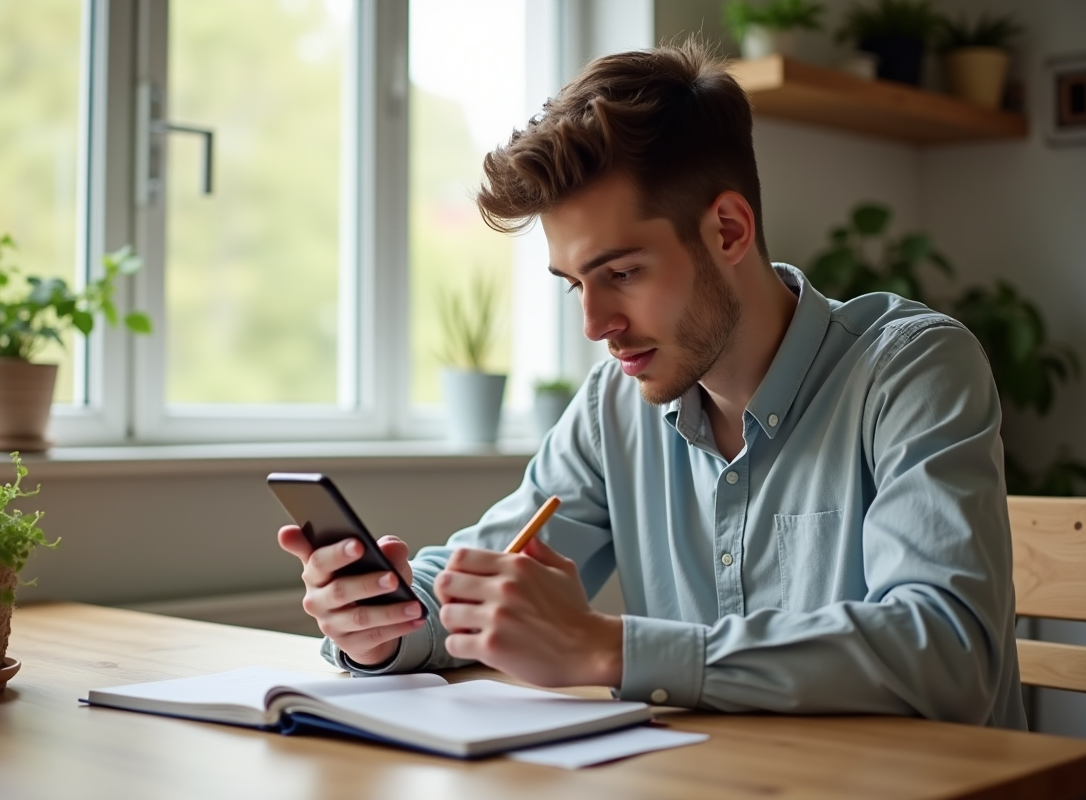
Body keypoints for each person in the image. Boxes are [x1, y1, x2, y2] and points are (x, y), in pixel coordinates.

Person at [278, 39, 1026, 729]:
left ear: (728, 231)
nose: (595, 325)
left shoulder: (912, 369)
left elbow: (949, 653)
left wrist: (607, 647)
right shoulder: (614, 406)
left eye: (623, 273)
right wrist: (382, 623)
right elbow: (487, 573)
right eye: (575, 285)